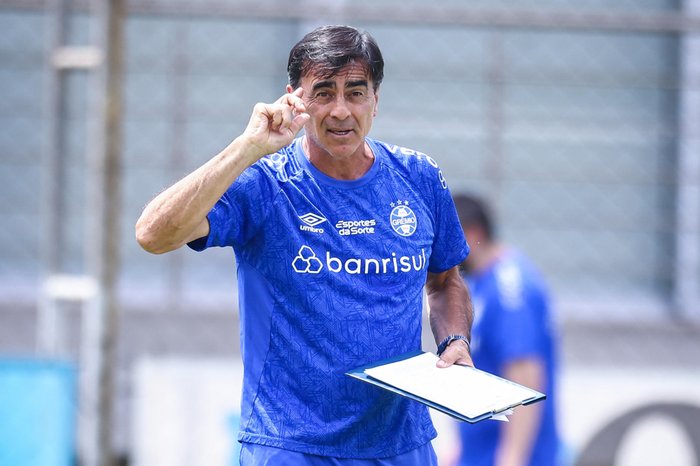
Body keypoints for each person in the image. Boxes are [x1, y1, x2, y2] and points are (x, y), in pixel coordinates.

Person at [135, 25, 473, 465]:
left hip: (400, 445)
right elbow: (153, 234)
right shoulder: (265, 184)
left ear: (376, 99)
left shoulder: (419, 177)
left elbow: (445, 281)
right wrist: (246, 147)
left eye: (355, 92)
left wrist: (454, 342)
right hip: (290, 446)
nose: (340, 110)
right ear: (293, 97)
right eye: (323, 92)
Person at [451, 194, 560, 466]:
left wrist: (512, 457)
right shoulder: (480, 281)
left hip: (503, 455)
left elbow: (524, 372)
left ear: (471, 233)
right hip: (480, 451)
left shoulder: (509, 288)